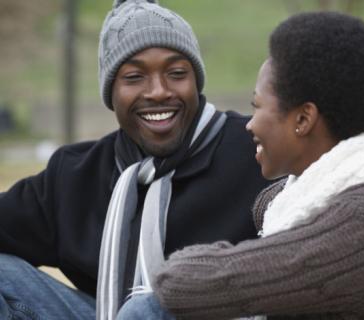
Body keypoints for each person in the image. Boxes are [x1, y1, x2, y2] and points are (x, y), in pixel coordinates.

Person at [151, 12, 364, 319]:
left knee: (149, 309)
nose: (249, 124)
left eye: (256, 106)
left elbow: (181, 283)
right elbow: (266, 207)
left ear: (304, 119)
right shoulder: (348, 193)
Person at [0, 1, 270, 319]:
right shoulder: (75, 174)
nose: (158, 91)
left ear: (196, 82)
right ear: (110, 93)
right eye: (134, 77)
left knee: (151, 305)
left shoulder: (255, 149)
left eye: (177, 73)